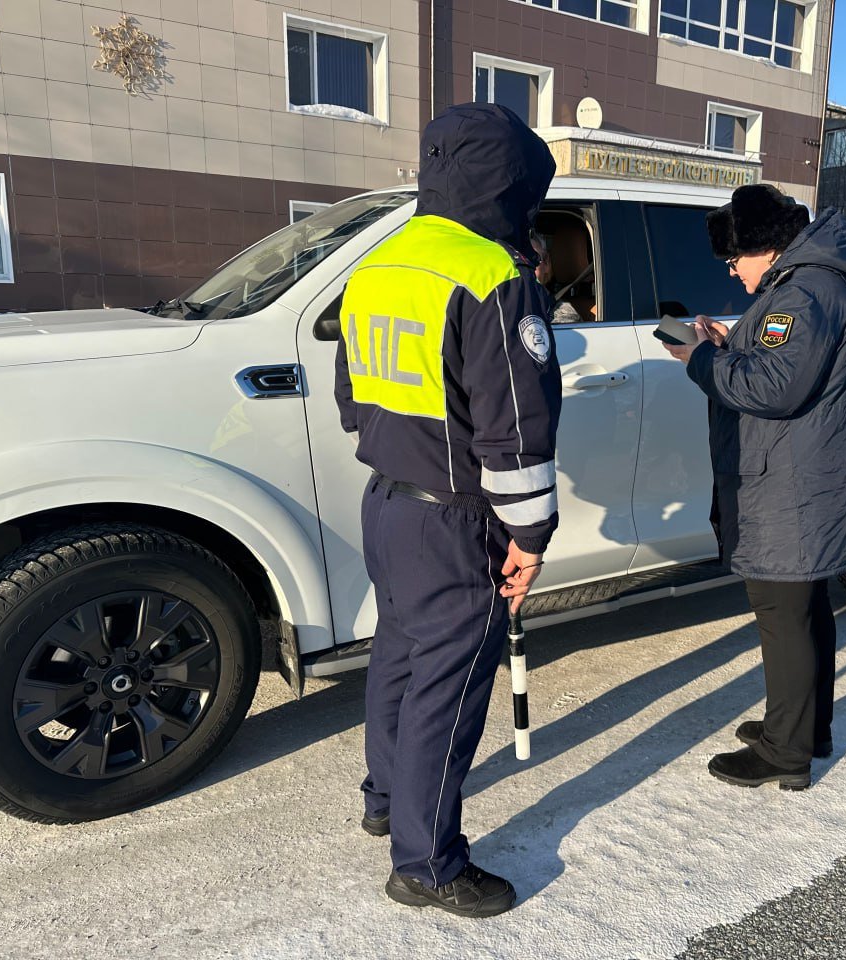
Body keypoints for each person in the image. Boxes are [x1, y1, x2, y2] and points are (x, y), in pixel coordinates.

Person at [334, 102, 561, 918]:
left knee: (398, 657)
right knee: (450, 682)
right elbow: (515, 431)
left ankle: (386, 798)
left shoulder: (382, 263)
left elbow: (351, 400)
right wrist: (529, 536)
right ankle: (426, 862)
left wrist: (406, 451)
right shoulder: (493, 276)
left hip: (387, 503)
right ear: (511, 185)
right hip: (455, 518)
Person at [664, 184, 846, 790]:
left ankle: (787, 752)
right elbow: (782, 369)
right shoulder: (805, 286)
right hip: (803, 477)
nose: (733, 273)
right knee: (805, 611)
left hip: (792, 486)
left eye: (734, 261)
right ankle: (809, 729)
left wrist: (700, 359)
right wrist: (731, 344)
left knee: (784, 615)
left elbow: (771, 390)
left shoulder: (803, 294)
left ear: (766, 248)